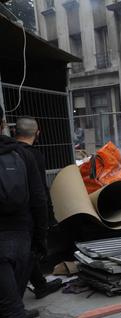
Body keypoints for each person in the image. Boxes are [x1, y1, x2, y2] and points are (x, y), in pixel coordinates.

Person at [0, 108, 47, 318]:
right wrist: (40, 240)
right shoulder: (23, 154)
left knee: (11, 309)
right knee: (10, 306)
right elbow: (39, 199)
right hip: (22, 239)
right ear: (4, 124)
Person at [14, 117, 62, 301]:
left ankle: (40, 284)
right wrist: (48, 218)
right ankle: (15, 304)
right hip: (27, 214)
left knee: (27, 253)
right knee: (30, 251)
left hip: (11, 213)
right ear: (37, 133)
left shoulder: (8, 152)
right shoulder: (33, 155)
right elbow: (40, 191)